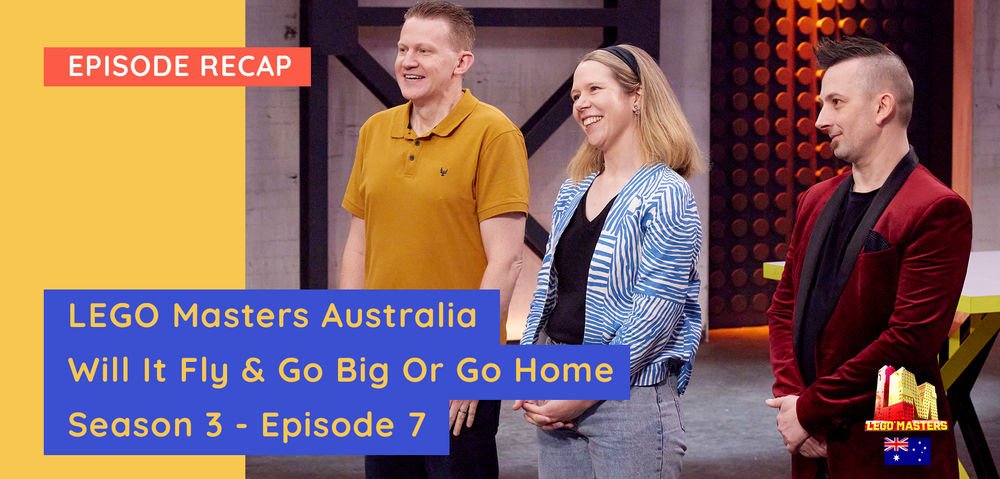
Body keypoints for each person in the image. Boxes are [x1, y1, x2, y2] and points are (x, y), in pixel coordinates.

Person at [338, 2, 529, 478]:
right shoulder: (375, 131)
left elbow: (506, 260)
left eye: (424, 50)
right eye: (403, 48)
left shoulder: (494, 134)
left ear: (462, 62)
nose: (408, 61)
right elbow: (358, 244)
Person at [766, 36, 971, 478]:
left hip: (901, 426)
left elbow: (909, 342)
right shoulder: (815, 200)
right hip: (812, 434)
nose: (821, 120)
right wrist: (793, 401)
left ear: (882, 107)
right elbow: (784, 308)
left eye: (836, 102)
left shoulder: (938, 207)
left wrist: (809, 410)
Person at [516, 44, 704, 479]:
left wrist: (584, 392)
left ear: (636, 96)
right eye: (576, 95)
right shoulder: (573, 190)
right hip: (557, 386)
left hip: (628, 402)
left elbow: (655, 315)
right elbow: (550, 293)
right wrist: (529, 373)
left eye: (594, 89)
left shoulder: (667, 192)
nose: (581, 104)